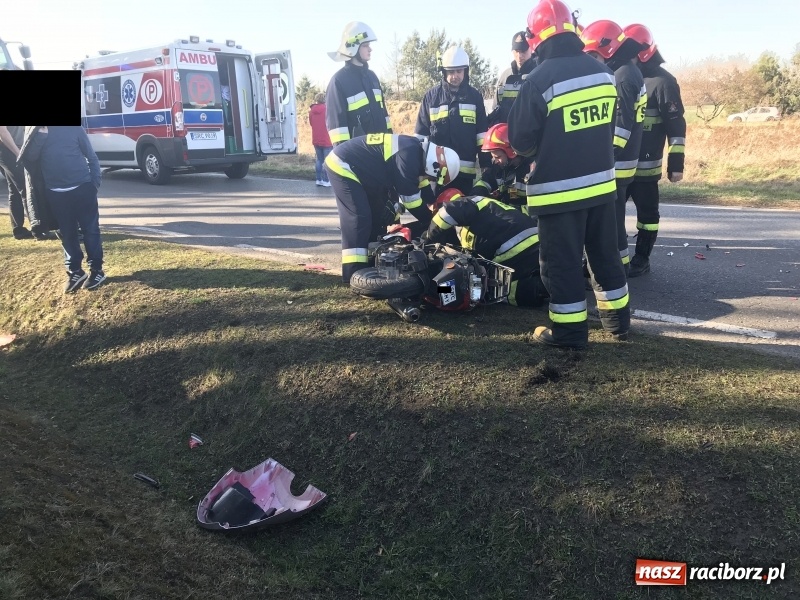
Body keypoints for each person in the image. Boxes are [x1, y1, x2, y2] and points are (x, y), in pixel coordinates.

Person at [508, 0, 630, 348]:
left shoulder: (538, 79)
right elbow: (608, 128)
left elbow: (520, 140)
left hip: (559, 194)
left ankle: (569, 335)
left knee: (560, 267)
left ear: (537, 38)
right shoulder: (603, 73)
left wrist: (543, 151)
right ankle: (618, 325)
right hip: (603, 188)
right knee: (606, 258)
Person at [324, 133, 459, 283]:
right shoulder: (409, 156)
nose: (430, 180)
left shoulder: (416, 153)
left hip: (363, 170)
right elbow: (411, 202)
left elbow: (423, 188)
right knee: (359, 217)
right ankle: (352, 273)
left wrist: (434, 208)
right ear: (434, 166)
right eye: (433, 177)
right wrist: (432, 223)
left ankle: (372, 263)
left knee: (379, 215)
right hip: (343, 164)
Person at [580, 20, 647, 273]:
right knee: (615, 216)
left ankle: (617, 268)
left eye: (595, 54)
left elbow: (620, 128)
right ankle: (621, 265)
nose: (593, 60)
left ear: (607, 49)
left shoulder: (621, 77)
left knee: (612, 219)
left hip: (617, 161)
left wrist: (603, 156)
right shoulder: (627, 70)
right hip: (626, 160)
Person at [622, 23, 687, 277]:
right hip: (621, 163)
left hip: (646, 167)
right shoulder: (624, 76)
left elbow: (676, 124)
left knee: (647, 215)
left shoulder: (662, 82)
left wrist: (676, 164)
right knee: (610, 215)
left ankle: (642, 258)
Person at [425, 189, 548, 307]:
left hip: (513, 247)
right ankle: (542, 288)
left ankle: (541, 287)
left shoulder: (465, 202)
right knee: (502, 292)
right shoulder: (487, 208)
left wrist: (427, 241)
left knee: (485, 288)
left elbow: (446, 213)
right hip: (537, 244)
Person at [23, 126, 106, 292]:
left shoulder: (74, 129)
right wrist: (41, 136)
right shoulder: (37, 131)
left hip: (83, 188)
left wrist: (94, 184)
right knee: (66, 233)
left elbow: (92, 157)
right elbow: (29, 159)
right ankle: (75, 271)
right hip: (55, 193)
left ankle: (97, 270)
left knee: (90, 230)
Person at [414, 46, 490, 195]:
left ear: (466, 71)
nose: (455, 76)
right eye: (451, 71)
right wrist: (420, 176)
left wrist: (487, 171)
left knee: (464, 215)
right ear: (444, 72)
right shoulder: (431, 98)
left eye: (459, 71)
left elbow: (482, 137)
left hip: (465, 176)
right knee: (438, 215)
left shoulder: (475, 97)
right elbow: (420, 139)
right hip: (437, 174)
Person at [325, 22, 392, 146]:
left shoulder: (372, 77)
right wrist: (345, 159)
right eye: (365, 45)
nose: (370, 49)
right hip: (358, 157)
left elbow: (384, 116)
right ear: (353, 48)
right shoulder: (338, 81)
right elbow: (338, 132)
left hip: (382, 154)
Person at [470, 123, 534, 211]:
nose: (495, 161)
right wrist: (475, 199)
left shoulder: (531, 170)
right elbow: (483, 183)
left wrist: (515, 212)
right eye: (493, 157)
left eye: (498, 157)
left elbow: (538, 207)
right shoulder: (498, 167)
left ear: (511, 152)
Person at [489, 31, 539, 126]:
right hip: (506, 135)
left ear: (531, 49)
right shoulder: (505, 76)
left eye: (523, 51)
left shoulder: (539, 73)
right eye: (516, 51)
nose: (519, 56)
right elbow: (496, 109)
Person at [0, 125, 33, 239]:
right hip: (8, 150)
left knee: (14, 190)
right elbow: (2, 133)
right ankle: (37, 228)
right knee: (25, 188)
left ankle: (18, 229)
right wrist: (18, 153)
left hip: (16, 149)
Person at [308, 93, 333, 187]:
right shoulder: (327, 110)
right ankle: (326, 180)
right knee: (327, 161)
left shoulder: (311, 111)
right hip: (327, 139)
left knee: (319, 160)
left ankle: (319, 179)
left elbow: (311, 123)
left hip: (316, 139)